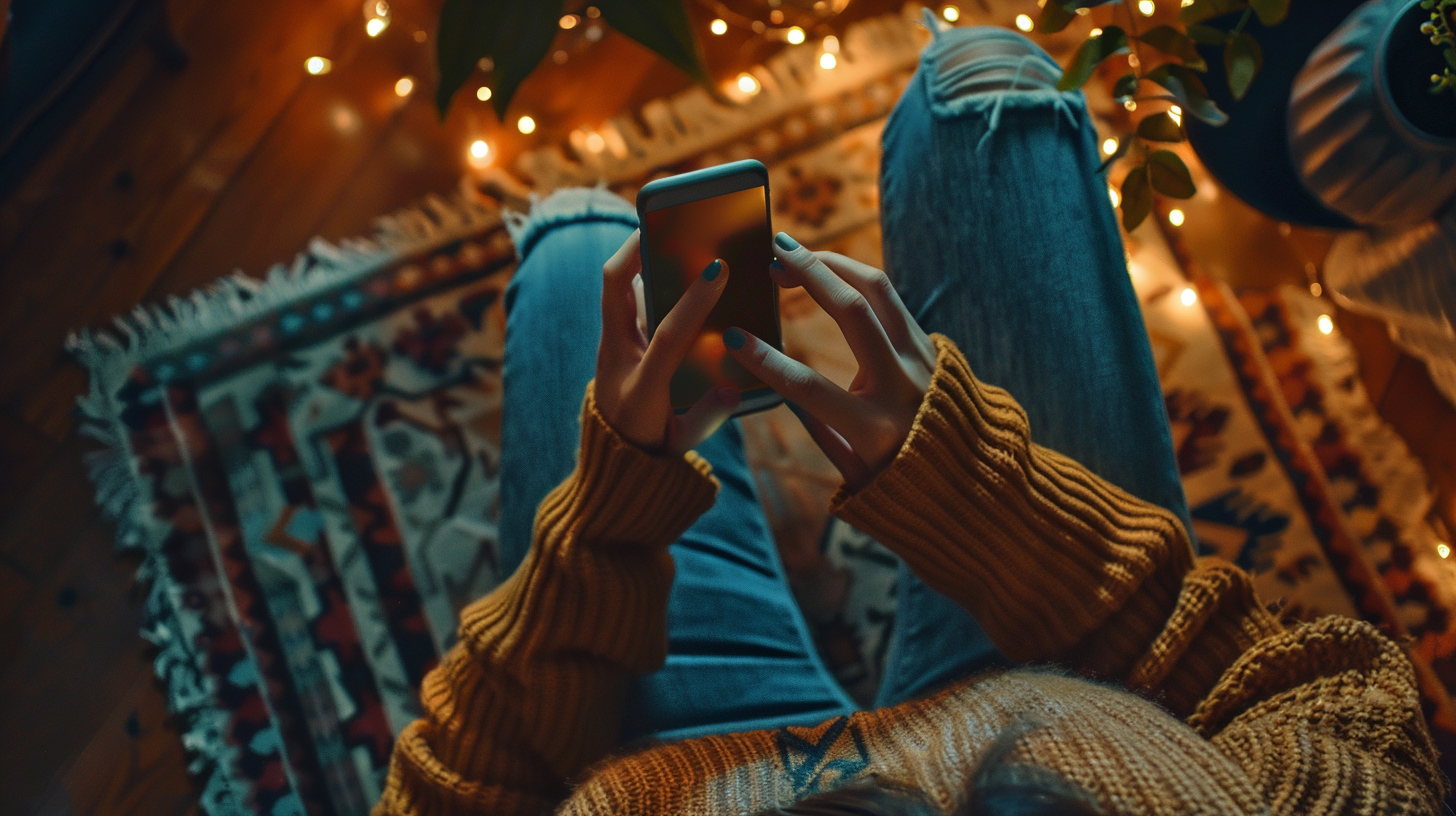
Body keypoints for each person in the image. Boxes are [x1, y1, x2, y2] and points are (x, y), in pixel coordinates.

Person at [373, 21, 1445, 816]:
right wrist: (970, 485)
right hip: (1074, 680)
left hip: (684, 758)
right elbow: (1330, 692)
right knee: (983, 85)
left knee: (574, 244)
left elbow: (452, 783)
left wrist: (612, 505)